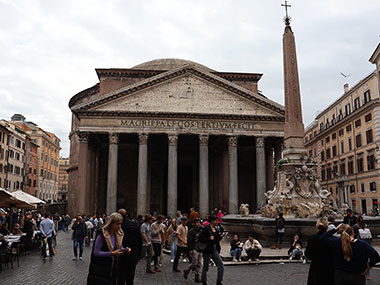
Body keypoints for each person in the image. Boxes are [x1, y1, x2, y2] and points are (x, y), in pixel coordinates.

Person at [87, 212, 131, 285]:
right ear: (111, 223)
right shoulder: (102, 234)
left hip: (112, 268)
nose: (119, 226)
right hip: (100, 268)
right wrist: (112, 253)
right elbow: (96, 252)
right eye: (117, 224)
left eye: (120, 224)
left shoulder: (118, 234)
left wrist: (125, 250)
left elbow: (119, 247)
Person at [305, 218, 334, 285]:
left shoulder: (312, 239)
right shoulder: (332, 239)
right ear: (327, 227)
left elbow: (307, 254)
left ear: (317, 227)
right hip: (329, 269)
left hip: (316, 268)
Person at [118, 209, 142, 285]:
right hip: (133, 253)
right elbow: (139, 241)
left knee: (120, 276)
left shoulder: (118, 225)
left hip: (120, 253)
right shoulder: (135, 225)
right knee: (130, 277)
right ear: (127, 215)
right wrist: (139, 255)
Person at [198, 215, 224, 285]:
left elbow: (216, 240)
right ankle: (204, 281)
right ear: (212, 221)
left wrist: (220, 237)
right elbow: (200, 238)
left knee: (220, 265)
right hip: (207, 250)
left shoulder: (217, 229)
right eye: (216, 221)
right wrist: (209, 238)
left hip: (214, 249)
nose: (217, 222)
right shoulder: (206, 229)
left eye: (217, 220)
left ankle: (219, 281)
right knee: (206, 267)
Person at [183, 218, 203, 283]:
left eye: (199, 222)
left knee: (199, 263)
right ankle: (187, 270)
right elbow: (189, 241)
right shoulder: (191, 231)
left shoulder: (201, 230)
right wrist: (190, 249)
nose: (198, 224)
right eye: (197, 222)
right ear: (194, 223)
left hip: (200, 248)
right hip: (194, 248)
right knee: (194, 262)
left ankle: (197, 276)